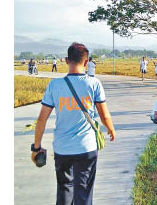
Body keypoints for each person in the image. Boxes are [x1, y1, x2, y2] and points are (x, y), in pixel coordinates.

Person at [31, 42, 115, 205]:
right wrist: (110, 129)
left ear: (66, 60)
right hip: (86, 148)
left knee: (64, 189)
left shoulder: (54, 85)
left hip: (62, 149)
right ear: (86, 62)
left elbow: (42, 119)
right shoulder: (94, 83)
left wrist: (36, 147)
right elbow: (104, 115)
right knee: (83, 192)